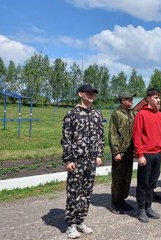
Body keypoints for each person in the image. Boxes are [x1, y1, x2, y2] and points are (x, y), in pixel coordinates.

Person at [61, 84, 104, 239]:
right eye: (88, 92)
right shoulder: (71, 114)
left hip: (91, 160)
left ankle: (80, 220)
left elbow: (100, 136)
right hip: (76, 161)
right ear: (80, 94)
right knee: (74, 192)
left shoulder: (97, 114)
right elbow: (66, 139)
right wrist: (68, 160)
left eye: (93, 93)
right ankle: (71, 224)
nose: (92, 95)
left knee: (86, 192)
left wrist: (99, 154)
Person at [133, 88, 161, 223]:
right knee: (143, 183)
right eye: (155, 97)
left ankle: (148, 207)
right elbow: (137, 136)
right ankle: (141, 209)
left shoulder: (160, 115)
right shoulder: (141, 114)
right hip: (146, 154)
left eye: (159, 97)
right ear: (148, 98)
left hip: (157, 154)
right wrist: (140, 154)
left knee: (152, 183)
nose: (158, 100)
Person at [108, 91, 136, 214]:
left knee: (127, 177)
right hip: (121, 151)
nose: (132, 102)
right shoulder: (116, 114)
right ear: (123, 100)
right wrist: (116, 151)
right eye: (129, 99)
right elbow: (112, 133)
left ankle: (122, 200)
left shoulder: (132, 113)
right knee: (118, 178)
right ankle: (115, 202)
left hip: (130, 151)